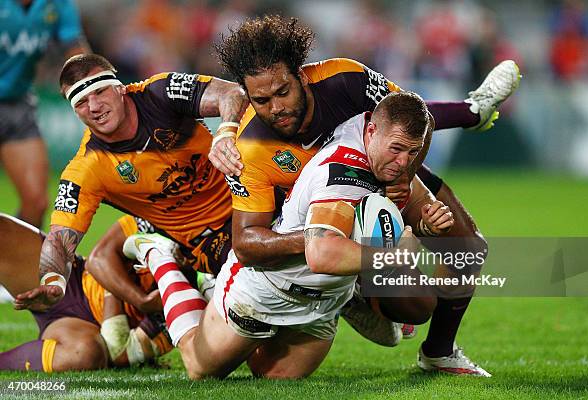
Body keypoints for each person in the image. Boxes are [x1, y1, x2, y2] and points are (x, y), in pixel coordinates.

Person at [210, 15, 520, 376]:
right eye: (262, 100)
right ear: (247, 97)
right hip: (316, 209)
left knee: (464, 252)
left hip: (380, 171)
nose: (275, 107)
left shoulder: (346, 79)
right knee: (399, 301)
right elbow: (247, 242)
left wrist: (403, 177)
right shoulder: (247, 144)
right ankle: (348, 291)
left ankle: (439, 351)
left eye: (283, 91)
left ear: (301, 74)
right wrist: (325, 241)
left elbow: (413, 115)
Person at [121, 91, 449, 379]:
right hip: (269, 289)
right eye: (397, 149)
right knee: (201, 367)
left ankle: (347, 298)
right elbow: (321, 255)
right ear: (372, 131)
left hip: (324, 301)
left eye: (412, 152)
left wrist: (422, 226)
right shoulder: (342, 176)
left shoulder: (376, 141)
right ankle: (161, 256)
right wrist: (396, 256)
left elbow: (403, 207)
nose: (404, 162)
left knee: (274, 376)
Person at [13, 54, 248, 373]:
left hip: (247, 210)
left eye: (98, 92)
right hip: (202, 250)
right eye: (80, 102)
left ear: (120, 88)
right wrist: (54, 282)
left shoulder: (160, 92)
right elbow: (60, 240)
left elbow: (233, 93)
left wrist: (225, 132)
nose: (93, 107)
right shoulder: (88, 167)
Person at [0, 213, 173, 372]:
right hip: (73, 278)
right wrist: (140, 300)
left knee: (86, 355)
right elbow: (98, 259)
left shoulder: (190, 297)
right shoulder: (161, 214)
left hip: (86, 328)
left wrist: (115, 278)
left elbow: (120, 352)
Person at [0, 0, 90, 228]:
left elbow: (75, 51)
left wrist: (93, 84)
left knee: (36, 202)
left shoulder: (57, 5)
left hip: (18, 103)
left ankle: (10, 261)